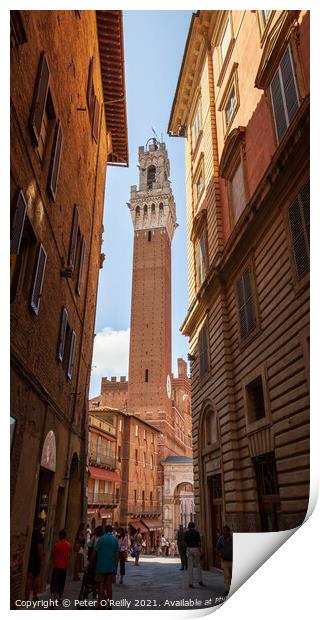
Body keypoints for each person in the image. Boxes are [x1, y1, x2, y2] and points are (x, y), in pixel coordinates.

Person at [90, 525, 119, 607]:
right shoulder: (115, 539)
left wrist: (90, 563)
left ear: (105, 531)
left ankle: (101, 605)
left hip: (101, 566)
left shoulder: (101, 539)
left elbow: (94, 552)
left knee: (101, 585)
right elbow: (117, 555)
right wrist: (115, 566)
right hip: (111, 566)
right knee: (109, 585)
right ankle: (110, 604)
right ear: (111, 531)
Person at [25, 518, 44, 601]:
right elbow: (39, 548)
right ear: (39, 525)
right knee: (36, 577)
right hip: (36, 558)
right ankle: (34, 596)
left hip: (29, 557)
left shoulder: (31, 533)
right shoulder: (39, 535)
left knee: (28, 577)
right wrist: (41, 559)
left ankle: (26, 597)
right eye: (41, 525)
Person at [50, 530, 71, 604]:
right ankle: (58, 598)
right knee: (61, 583)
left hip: (56, 567)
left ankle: (55, 599)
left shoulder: (56, 545)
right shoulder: (68, 545)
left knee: (55, 583)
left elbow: (53, 554)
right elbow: (68, 555)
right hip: (63, 567)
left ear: (59, 536)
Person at [184, 522, 203, 588]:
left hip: (189, 549)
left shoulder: (186, 533)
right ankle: (200, 580)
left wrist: (187, 549)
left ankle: (190, 583)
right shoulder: (197, 533)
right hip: (196, 548)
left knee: (190, 566)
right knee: (198, 565)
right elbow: (199, 542)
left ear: (189, 526)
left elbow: (185, 542)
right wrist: (200, 550)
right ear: (194, 526)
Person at [216, 525, 233, 596]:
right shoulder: (221, 539)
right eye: (224, 531)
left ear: (229, 531)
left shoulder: (233, 538)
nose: (225, 532)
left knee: (232, 575)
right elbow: (217, 547)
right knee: (226, 576)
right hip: (225, 560)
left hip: (233, 560)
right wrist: (220, 554)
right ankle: (227, 589)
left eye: (226, 531)